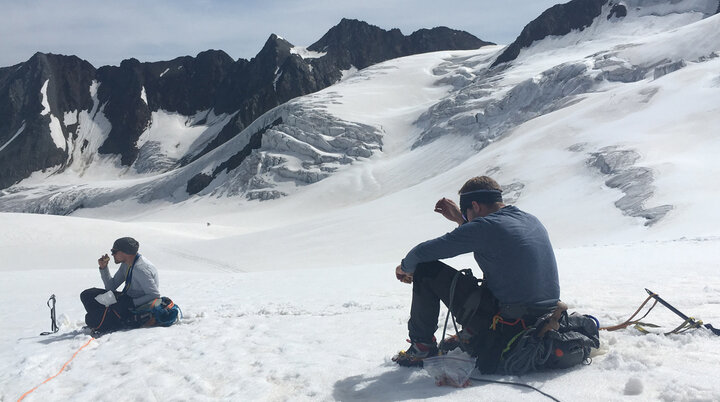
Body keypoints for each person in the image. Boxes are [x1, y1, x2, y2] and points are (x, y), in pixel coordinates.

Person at [392, 176, 560, 370]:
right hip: (543, 319)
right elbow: (492, 241)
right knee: (497, 271)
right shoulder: (530, 219)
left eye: (467, 213)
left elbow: (420, 253)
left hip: (509, 324)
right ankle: (472, 332)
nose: (467, 219)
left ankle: (422, 347)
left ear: (475, 205)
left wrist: (404, 269)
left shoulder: (485, 227)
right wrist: (461, 218)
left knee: (425, 268)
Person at [80, 237, 161, 333]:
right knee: (87, 295)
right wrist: (104, 268)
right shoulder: (127, 264)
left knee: (90, 319)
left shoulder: (141, 269)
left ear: (125, 252)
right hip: (125, 298)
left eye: (114, 251)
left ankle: (106, 321)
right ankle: (104, 319)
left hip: (134, 306)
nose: (112, 254)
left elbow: (154, 295)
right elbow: (111, 287)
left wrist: (131, 303)